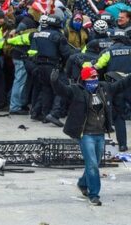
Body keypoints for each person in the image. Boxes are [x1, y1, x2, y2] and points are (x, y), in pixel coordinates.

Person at [51, 67, 131, 206]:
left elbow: (122, 84)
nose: (94, 80)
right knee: (93, 165)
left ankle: (82, 183)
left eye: (95, 77)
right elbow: (62, 90)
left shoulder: (104, 88)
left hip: (100, 133)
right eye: (91, 78)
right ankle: (94, 195)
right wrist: (54, 81)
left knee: (94, 163)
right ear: (84, 79)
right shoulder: (76, 90)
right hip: (85, 134)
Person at [90, 29, 131, 152]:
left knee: (119, 117)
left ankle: (122, 145)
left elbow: (96, 66)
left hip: (117, 87)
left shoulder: (108, 52)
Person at [28, 15, 73, 127]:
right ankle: (55, 114)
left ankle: (44, 114)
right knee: (62, 89)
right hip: (53, 65)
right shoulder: (58, 36)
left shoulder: (37, 34)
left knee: (46, 90)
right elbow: (66, 54)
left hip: (39, 65)